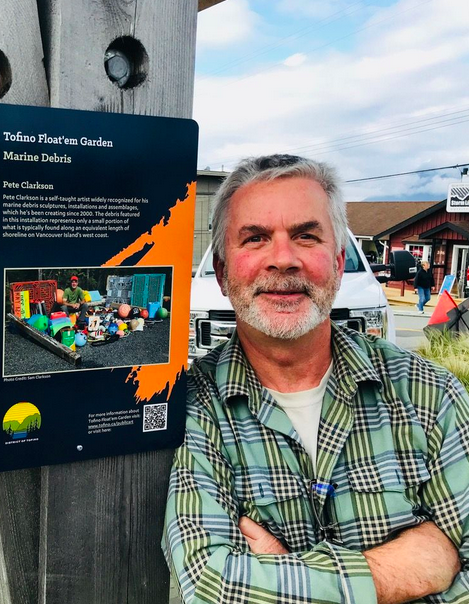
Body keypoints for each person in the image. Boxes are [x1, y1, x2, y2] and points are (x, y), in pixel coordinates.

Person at [163, 154, 468, 604]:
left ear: (339, 262)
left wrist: (281, 575)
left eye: (306, 236)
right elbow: (213, 585)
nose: (283, 260)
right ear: (224, 275)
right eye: (256, 238)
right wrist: (408, 568)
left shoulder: (432, 394)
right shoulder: (188, 409)